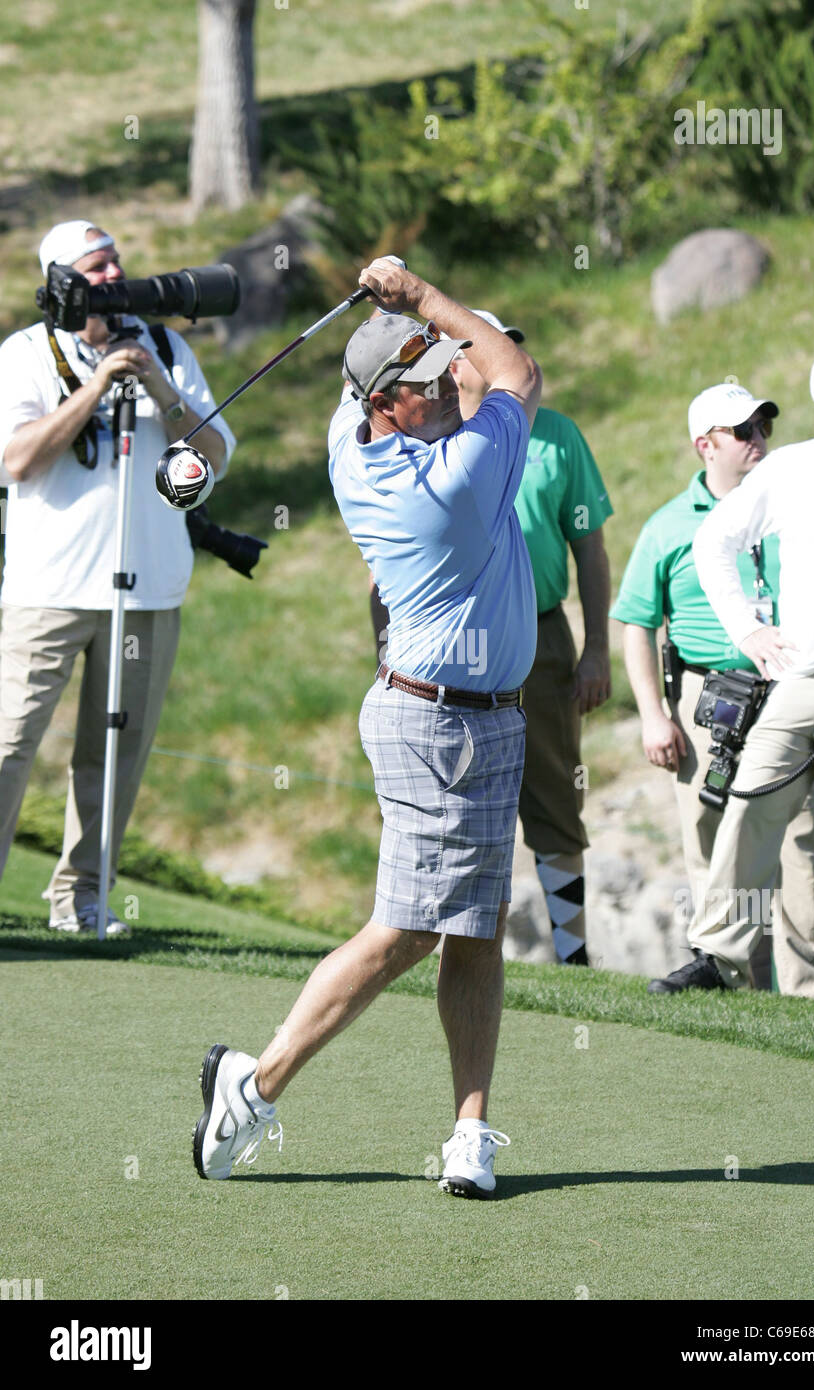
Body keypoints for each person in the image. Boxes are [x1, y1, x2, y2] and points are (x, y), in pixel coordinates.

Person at [194, 258, 543, 1198]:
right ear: (391, 401)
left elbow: (436, 376)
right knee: (408, 933)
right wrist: (422, 292)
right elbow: (514, 376)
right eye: (430, 384)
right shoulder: (461, 478)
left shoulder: (354, 443)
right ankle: (254, 1086)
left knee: (473, 931)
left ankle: (469, 1133)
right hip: (442, 727)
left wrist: (391, 317)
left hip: (468, 719)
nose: (451, 388)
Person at [0, 221, 235, 933]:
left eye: (118, 261)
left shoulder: (165, 345)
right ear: (65, 280)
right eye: (98, 266)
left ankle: (83, 900)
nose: (115, 274)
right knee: (9, 743)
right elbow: (17, 460)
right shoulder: (25, 353)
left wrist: (158, 386)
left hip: (147, 589)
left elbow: (216, 455)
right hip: (49, 589)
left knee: (116, 753)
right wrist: (98, 383)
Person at [370, 308, 612, 964]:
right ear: (456, 361)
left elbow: (589, 547)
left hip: (540, 637)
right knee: (462, 804)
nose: (504, 356)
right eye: (488, 346)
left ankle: (573, 954)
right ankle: (466, 946)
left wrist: (595, 648)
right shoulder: (428, 435)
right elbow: (386, 568)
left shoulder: (557, 436)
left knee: (555, 790)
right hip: (445, 653)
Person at [648, 346, 814, 1003]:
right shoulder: (792, 470)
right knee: (749, 807)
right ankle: (720, 956)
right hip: (799, 679)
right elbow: (713, 543)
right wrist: (747, 630)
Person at [612, 383, 814, 994]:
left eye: (764, 427)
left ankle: (806, 992)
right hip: (708, 700)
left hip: (790, 688)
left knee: (798, 842)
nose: (759, 440)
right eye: (744, 431)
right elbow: (636, 623)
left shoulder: (796, 509)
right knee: (710, 840)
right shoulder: (668, 526)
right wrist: (654, 716)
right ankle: (735, 984)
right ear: (705, 446)